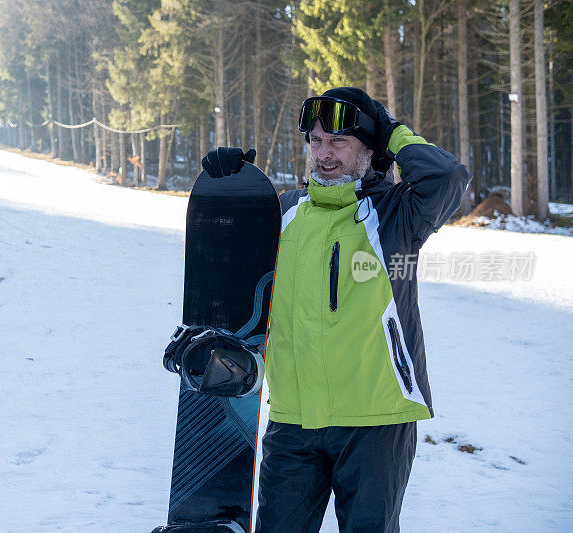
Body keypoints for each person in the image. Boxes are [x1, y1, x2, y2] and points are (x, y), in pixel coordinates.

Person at [201, 87, 471, 532]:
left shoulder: (395, 215)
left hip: (376, 420)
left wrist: (391, 129)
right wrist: (228, 181)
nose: (324, 154)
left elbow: (445, 177)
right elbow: (226, 237)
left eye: (339, 142)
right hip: (292, 421)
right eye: (316, 141)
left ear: (369, 149)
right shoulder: (285, 212)